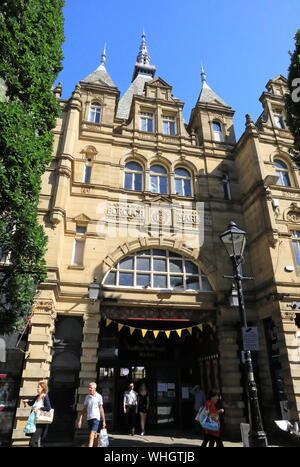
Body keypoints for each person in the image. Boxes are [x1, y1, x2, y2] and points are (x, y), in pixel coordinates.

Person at [22, 381, 52, 447]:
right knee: (35, 442)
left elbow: (48, 407)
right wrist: (27, 401)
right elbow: (32, 404)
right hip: (34, 422)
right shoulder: (37, 396)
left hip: (40, 423)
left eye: (38, 387)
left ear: (43, 388)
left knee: (32, 442)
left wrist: (39, 408)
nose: (37, 389)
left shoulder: (45, 396)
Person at [78, 382, 106, 447]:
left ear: (94, 388)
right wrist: (80, 419)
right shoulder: (87, 397)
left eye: (91, 387)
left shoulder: (99, 396)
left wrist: (104, 420)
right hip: (89, 418)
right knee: (94, 436)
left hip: (96, 418)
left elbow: (101, 409)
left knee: (91, 435)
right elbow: (84, 409)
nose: (89, 389)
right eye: (89, 387)